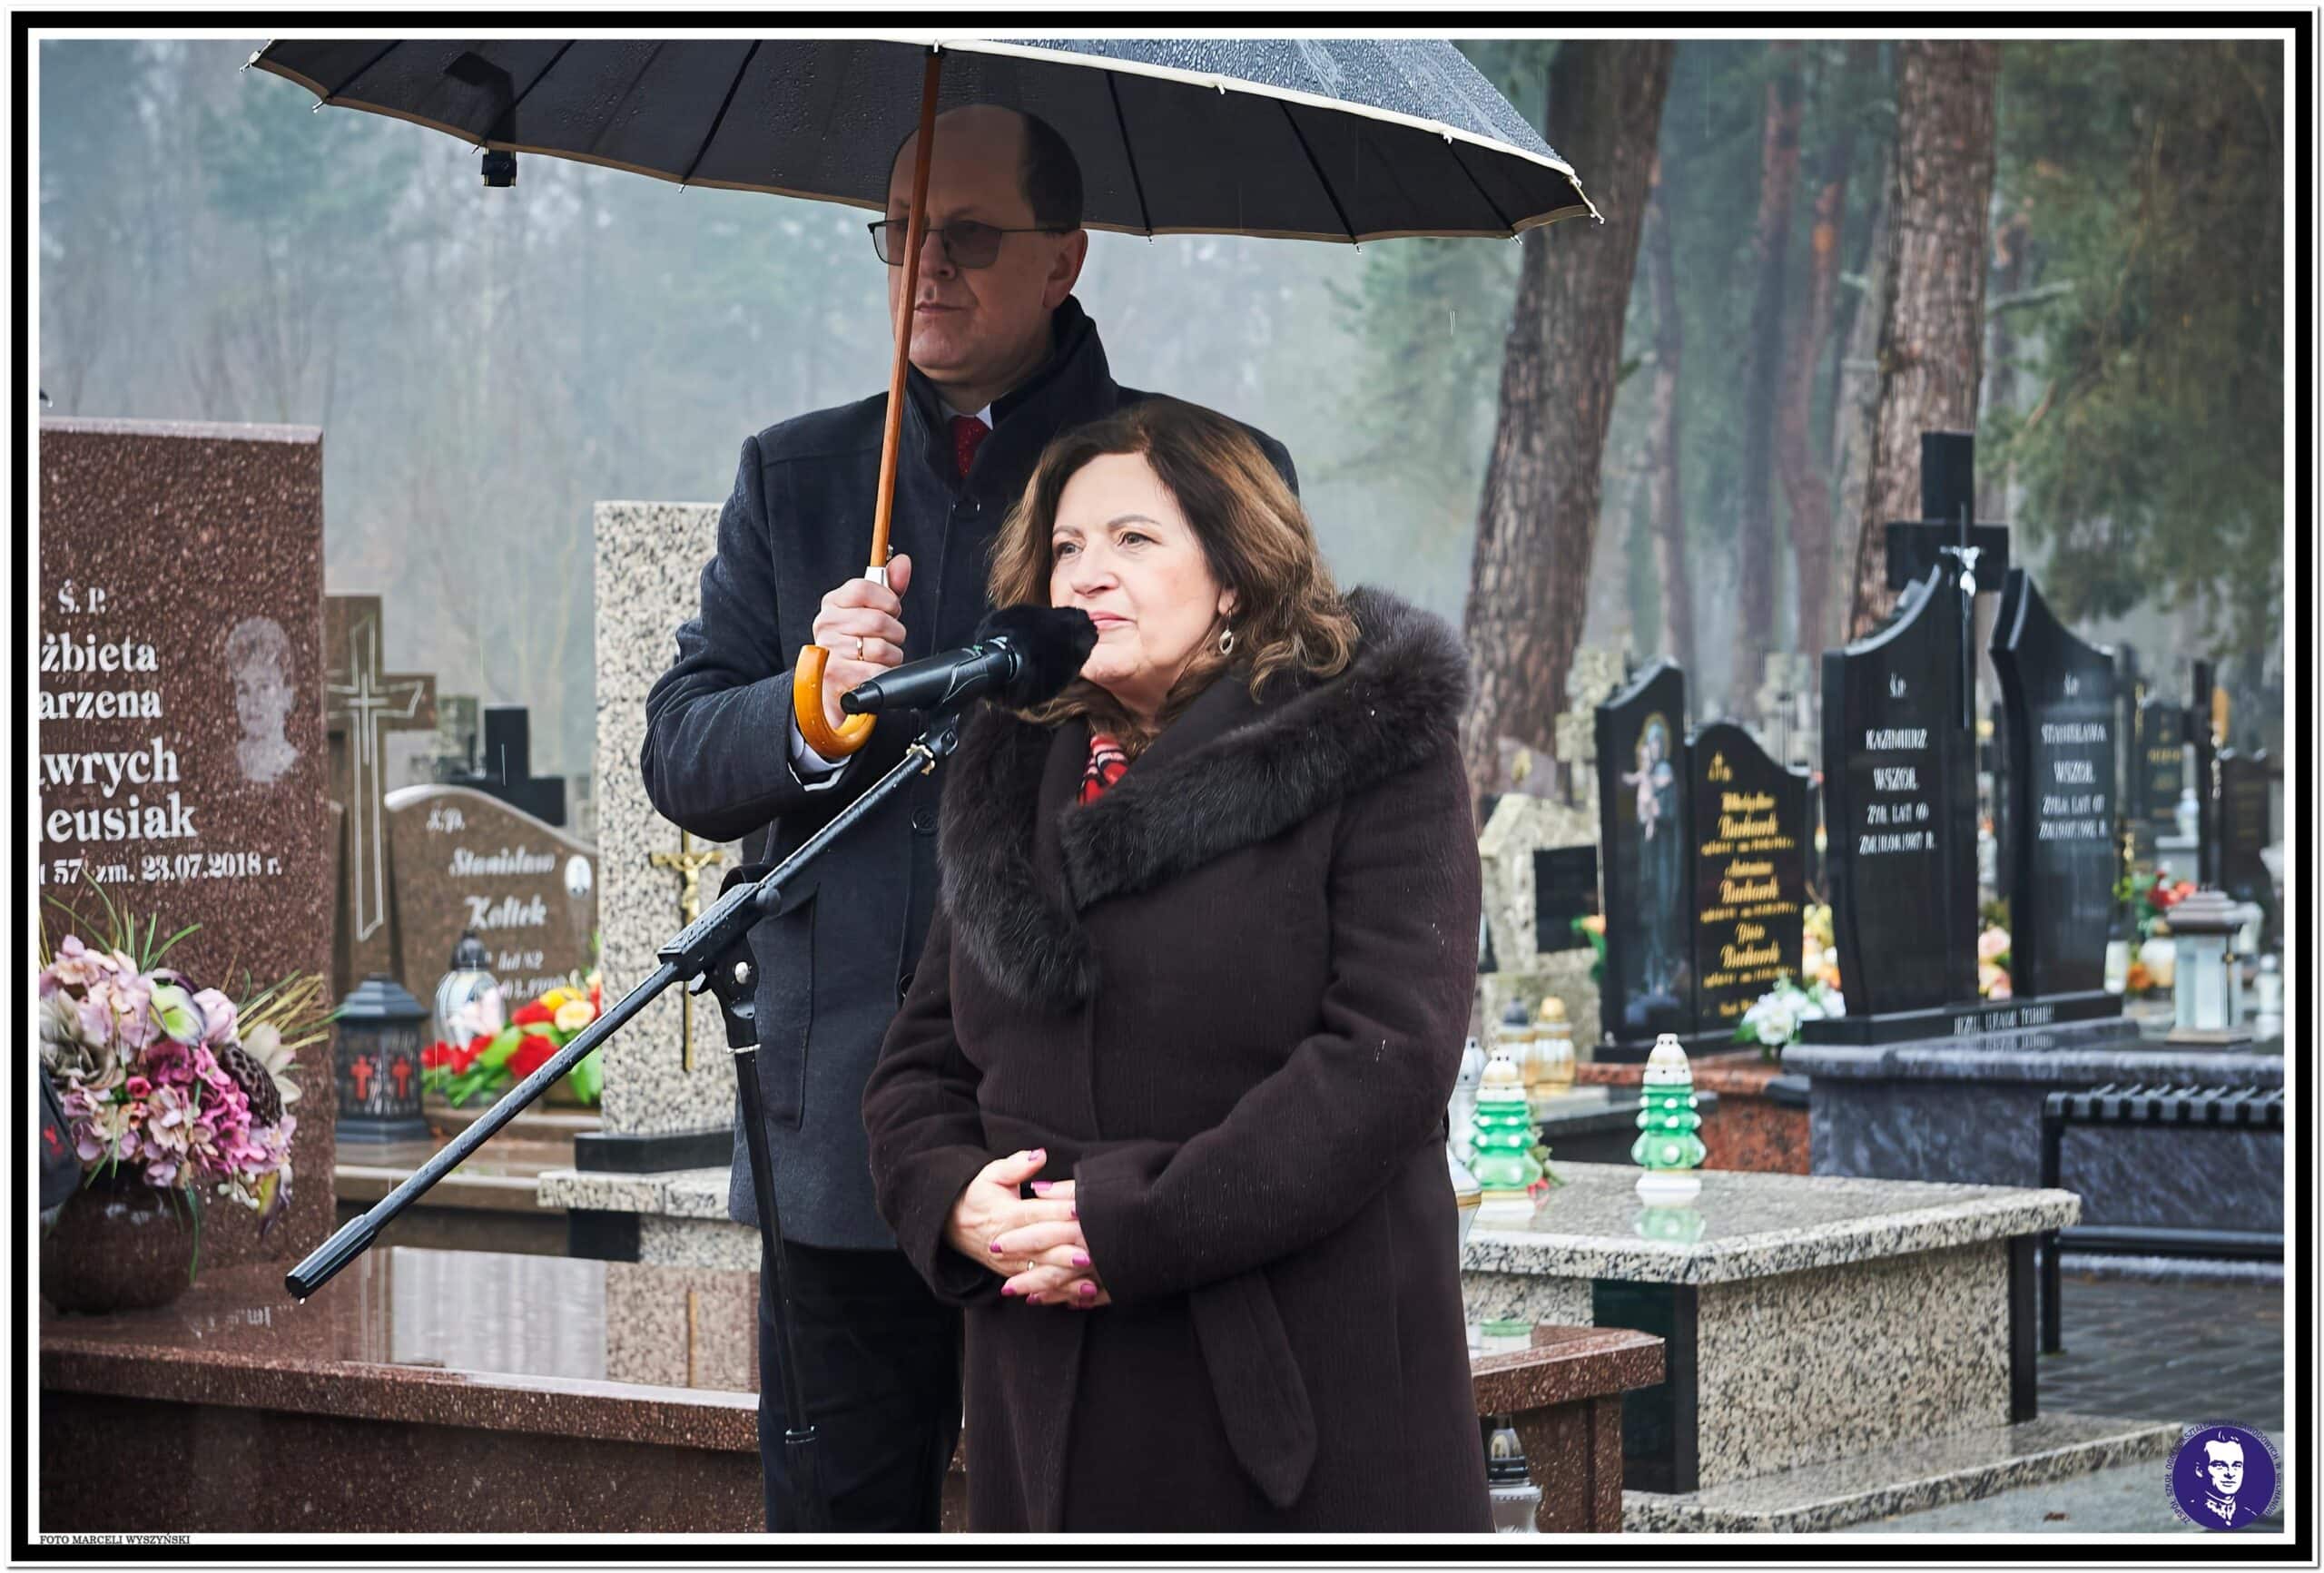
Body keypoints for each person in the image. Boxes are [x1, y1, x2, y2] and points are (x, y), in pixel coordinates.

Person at [640, 106, 1296, 1533]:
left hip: (1085, 1149)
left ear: (1066, 257)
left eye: (972, 238)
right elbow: (682, 753)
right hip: (835, 1137)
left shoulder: (1183, 486)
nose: (926, 268)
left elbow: (1267, 761)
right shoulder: (799, 474)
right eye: (903, 237)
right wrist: (810, 709)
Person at [861, 398, 1491, 1531]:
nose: (1085, 575)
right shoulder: (1012, 762)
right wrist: (949, 1197)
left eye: (1133, 540)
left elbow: (1384, 1059)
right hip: (1044, 1379)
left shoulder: (1369, 741)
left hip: (1285, 1378)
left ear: (1237, 572)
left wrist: (1127, 1220)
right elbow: (919, 1061)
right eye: (1064, 547)